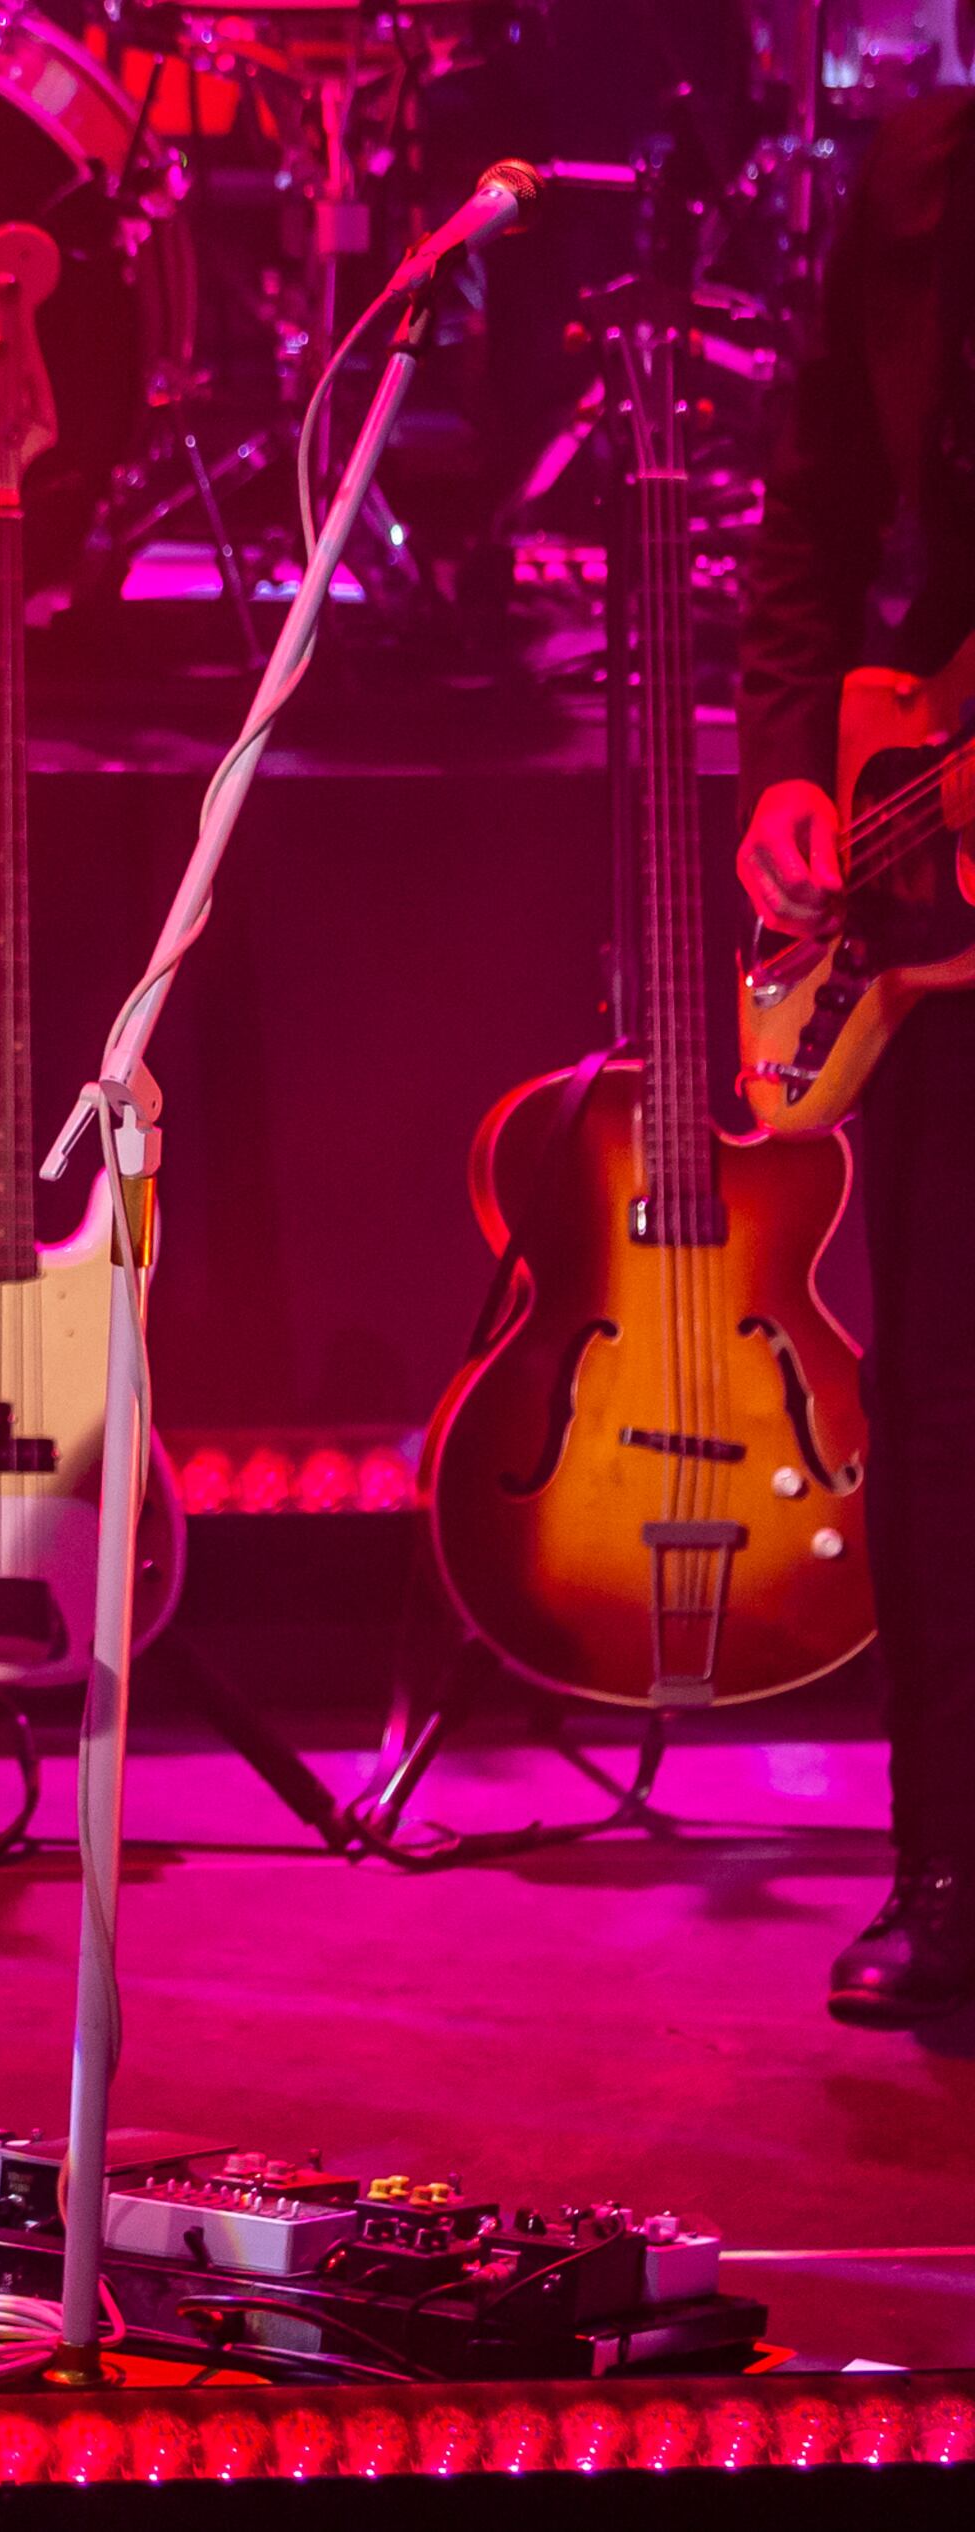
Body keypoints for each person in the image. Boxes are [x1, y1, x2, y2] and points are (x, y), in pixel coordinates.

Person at [737, 63, 975, 2032]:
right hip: (936, 910)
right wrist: (789, 772)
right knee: (948, 1414)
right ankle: (948, 1877)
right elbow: (809, 508)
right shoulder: (911, 171)